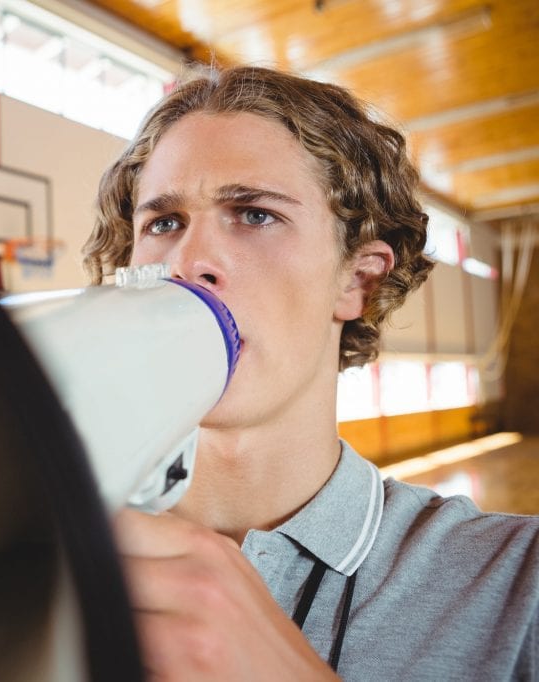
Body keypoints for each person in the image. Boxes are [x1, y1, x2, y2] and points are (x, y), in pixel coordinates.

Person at [83, 65, 539, 680]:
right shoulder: (41, 550)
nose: (189, 262)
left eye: (253, 214)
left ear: (357, 279)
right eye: (164, 223)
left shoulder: (517, 585)